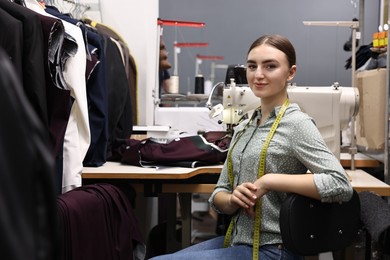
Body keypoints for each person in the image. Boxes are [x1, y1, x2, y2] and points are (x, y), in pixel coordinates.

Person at [149, 34, 354, 260]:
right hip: (239, 239)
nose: (258, 74)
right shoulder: (245, 125)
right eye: (252, 66)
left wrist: (269, 180)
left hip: (275, 248)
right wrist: (232, 200)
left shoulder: (297, 124)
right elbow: (219, 192)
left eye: (270, 66)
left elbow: (340, 183)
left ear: (291, 73)